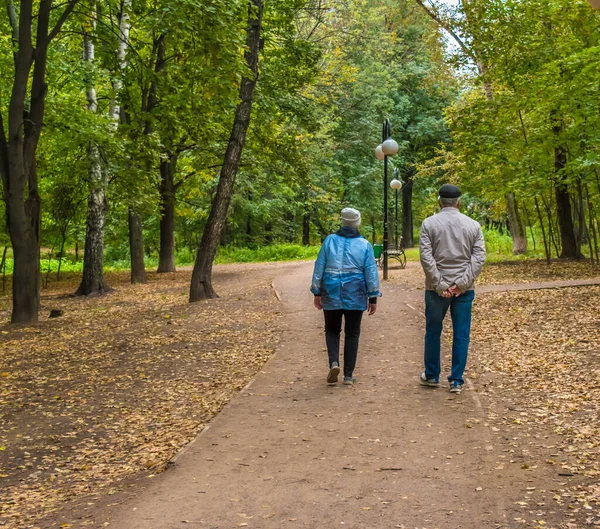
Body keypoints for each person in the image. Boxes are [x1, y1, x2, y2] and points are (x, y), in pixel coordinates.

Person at [419, 184, 486, 394]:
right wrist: (461, 285)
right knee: (461, 334)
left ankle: (431, 375)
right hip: (464, 291)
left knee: (433, 331)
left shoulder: (429, 224)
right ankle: (456, 380)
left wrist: (440, 284)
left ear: (439, 201)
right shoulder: (473, 225)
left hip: (435, 290)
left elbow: (426, 257)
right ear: (459, 202)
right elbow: (479, 257)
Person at [310, 208, 380, 386]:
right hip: (355, 292)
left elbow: (319, 266)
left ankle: (334, 362)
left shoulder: (329, 241)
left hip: (331, 291)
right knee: (352, 333)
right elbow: (370, 271)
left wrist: (317, 291)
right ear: (357, 223)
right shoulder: (365, 245)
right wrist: (373, 297)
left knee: (332, 330)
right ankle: (348, 375)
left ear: (342, 221)